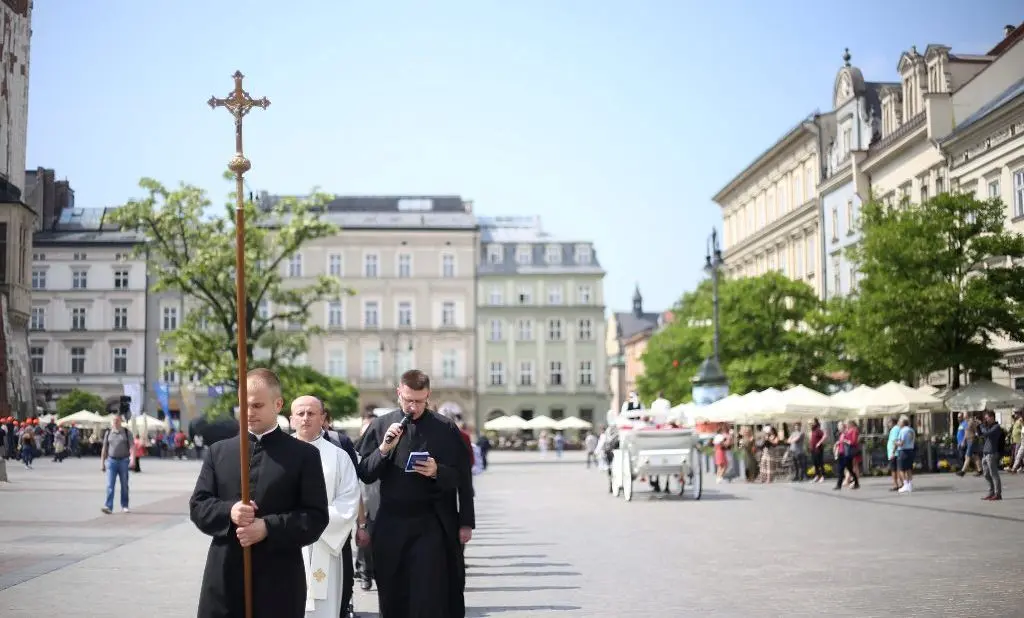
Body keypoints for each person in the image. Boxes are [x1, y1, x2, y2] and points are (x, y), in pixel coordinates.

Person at [190, 368, 330, 618]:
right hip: (225, 574)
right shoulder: (218, 452)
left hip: (278, 579)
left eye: (257, 405)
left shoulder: (304, 456)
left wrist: (268, 527)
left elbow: (315, 517)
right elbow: (199, 506)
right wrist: (228, 511)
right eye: (244, 405)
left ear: (278, 404)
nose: (248, 412)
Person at [356, 369, 475, 618]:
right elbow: (365, 473)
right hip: (391, 521)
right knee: (392, 591)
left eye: (419, 401)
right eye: (408, 400)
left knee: (428, 593)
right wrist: (384, 448)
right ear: (399, 392)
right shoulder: (381, 425)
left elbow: (462, 477)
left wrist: (436, 472)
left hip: (431, 521)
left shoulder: (445, 428)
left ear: (428, 395)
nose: (413, 406)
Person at [290, 395, 361, 617]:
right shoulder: (278, 454)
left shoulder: (338, 456)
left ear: (323, 418)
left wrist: (313, 523)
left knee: (323, 607)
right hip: (286, 543)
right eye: (300, 414)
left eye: (311, 413)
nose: (305, 418)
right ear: (291, 419)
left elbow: (349, 499)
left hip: (324, 544)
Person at [100, 415, 135, 514]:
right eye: (114, 420)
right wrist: (102, 463)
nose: (115, 422)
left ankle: (125, 505)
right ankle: (108, 506)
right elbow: (104, 448)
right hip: (111, 461)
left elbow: (132, 447)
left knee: (124, 484)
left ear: (121, 421)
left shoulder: (126, 432)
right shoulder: (108, 433)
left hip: (124, 461)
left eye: (117, 420)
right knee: (110, 485)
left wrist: (133, 460)